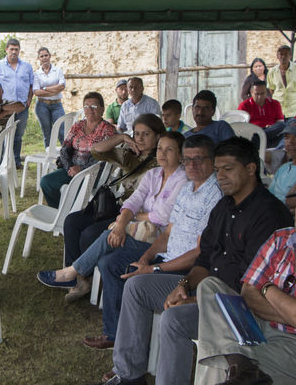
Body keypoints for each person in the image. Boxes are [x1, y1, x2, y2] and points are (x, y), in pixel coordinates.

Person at [96, 137, 293, 385]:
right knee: (137, 287)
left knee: (173, 318)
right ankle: (129, 375)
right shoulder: (225, 205)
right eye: (218, 169)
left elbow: (248, 283)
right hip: (204, 285)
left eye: (228, 169)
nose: (220, 176)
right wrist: (184, 285)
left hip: (237, 305)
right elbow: (205, 257)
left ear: (251, 169)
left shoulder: (269, 215)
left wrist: (195, 297)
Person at [195, 176, 296, 384]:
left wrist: (267, 288)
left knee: (221, 355)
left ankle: (242, 366)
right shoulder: (281, 239)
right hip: (263, 329)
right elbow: (248, 294)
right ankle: (244, 368)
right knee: (211, 287)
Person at [83, 135, 223, 354]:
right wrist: (146, 258)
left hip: (187, 269)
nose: (192, 165)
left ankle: (130, 348)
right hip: (165, 256)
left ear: (212, 161)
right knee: (111, 263)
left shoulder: (213, 196)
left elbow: (199, 253)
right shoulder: (188, 189)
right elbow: (167, 233)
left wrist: (153, 268)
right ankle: (114, 334)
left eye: (199, 159)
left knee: (132, 279)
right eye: (189, 160)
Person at [37, 132, 188, 312]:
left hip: (161, 238)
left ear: (180, 155)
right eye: (161, 148)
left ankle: (72, 272)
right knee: (106, 237)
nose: (162, 153)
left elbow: (163, 216)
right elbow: (134, 200)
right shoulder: (154, 174)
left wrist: (137, 216)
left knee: (107, 236)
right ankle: (78, 276)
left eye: (169, 149)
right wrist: (123, 223)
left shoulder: (183, 180)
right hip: (141, 229)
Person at [58, 114, 164, 301]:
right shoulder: (129, 154)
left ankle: (84, 276)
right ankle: (79, 278)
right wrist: (122, 137)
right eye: (137, 133)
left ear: (157, 137)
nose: (139, 138)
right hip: (117, 206)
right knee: (72, 221)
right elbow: (96, 151)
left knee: (89, 234)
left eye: (146, 134)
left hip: (136, 215)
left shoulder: (161, 161)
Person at [39, 92, 115, 208]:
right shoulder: (77, 125)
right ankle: (59, 210)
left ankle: (73, 215)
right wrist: (70, 167)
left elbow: (103, 157)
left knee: (75, 189)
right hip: (72, 169)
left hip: (93, 172)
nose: (89, 109)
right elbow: (64, 149)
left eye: (94, 106)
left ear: (102, 109)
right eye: (86, 106)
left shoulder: (107, 129)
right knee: (46, 182)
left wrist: (82, 169)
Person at [0, 38, 34, 169]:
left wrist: (29, 100)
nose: (14, 52)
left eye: (16, 49)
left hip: (21, 107)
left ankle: (16, 161)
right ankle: (2, 161)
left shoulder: (27, 67)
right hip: (5, 107)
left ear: (19, 50)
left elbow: (31, 86)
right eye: (11, 49)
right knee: (3, 133)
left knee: (18, 135)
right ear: (6, 50)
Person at [33, 47, 66, 148]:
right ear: (39, 58)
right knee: (47, 133)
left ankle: (65, 157)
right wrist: (53, 91)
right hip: (42, 106)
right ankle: (49, 157)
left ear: (50, 56)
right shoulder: (37, 74)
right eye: (41, 56)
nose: (44, 58)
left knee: (62, 131)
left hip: (57, 105)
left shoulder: (57, 70)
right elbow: (36, 92)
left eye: (46, 55)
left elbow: (62, 86)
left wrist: (45, 88)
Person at [237, 80, 285, 148]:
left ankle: (260, 139)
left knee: (283, 126)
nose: (259, 97)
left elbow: (280, 124)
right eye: (257, 94)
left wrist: (271, 127)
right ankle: (261, 139)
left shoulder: (275, 104)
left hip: (270, 133)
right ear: (251, 93)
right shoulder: (244, 105)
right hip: (253, 133)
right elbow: (241, 127)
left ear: (266, 93)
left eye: (262, 93)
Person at [266, 45, 296, 120]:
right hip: (278, 110)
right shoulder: (272, 72)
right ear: (277, 56)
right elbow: (272, 90)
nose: (283, 56)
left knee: (293, 130)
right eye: (280, 54)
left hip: (294, 110)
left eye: (286, 54)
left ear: (290, 56)